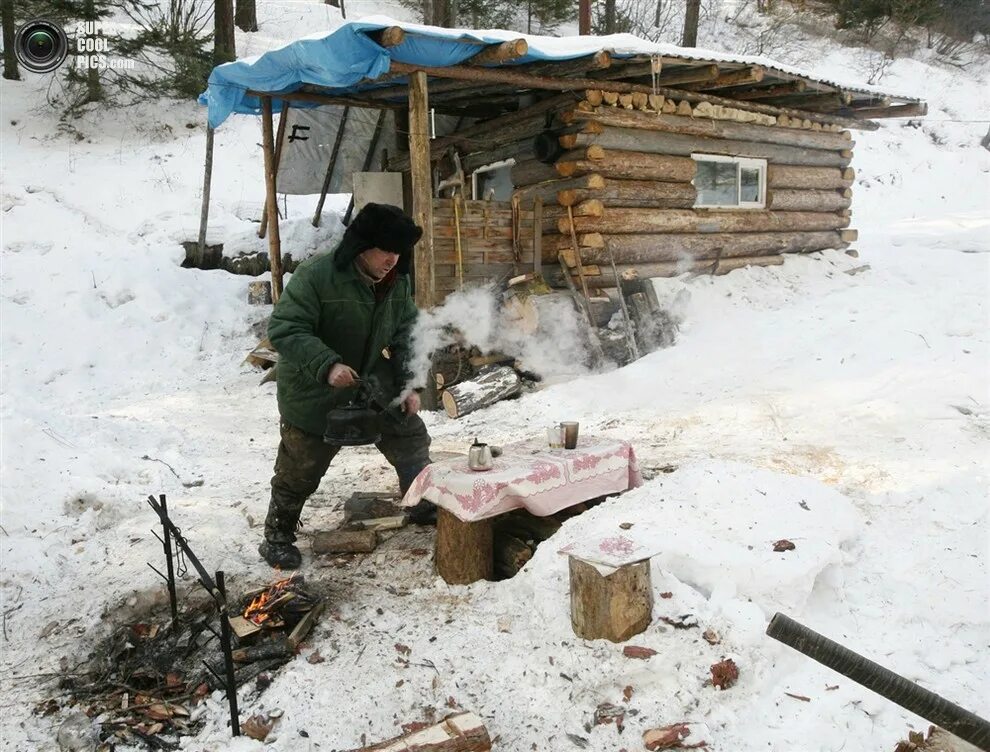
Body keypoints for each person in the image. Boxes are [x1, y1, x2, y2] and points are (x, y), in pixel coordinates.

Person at [259, 203, 436, 570]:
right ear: (361, 246)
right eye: (384, 250)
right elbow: (285, 328)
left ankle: (420, 500)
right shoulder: (316, 276)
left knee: (410, 435)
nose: (392, 259)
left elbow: (409, 333)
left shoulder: (396, 282)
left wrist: (409, 384)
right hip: (313, 387)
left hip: (370, 378)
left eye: (397, 252)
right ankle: (277, 535)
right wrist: (327, 365)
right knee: (300, 467)